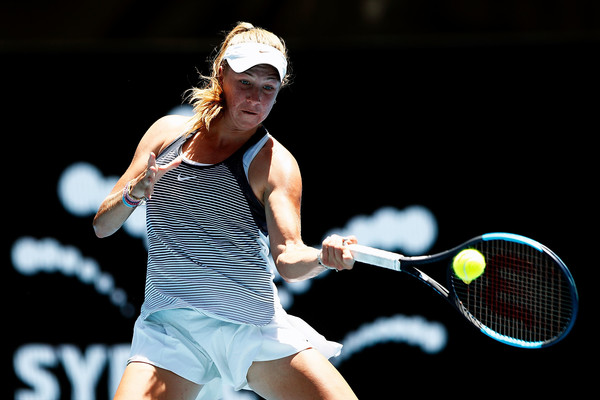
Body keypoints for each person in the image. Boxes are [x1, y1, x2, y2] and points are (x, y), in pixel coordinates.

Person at [93, 22, 358, 400]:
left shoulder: (275, 163)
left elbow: (287, 257)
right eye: (245, 83)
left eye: (268, 88)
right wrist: (134, 194)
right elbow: (103, 226)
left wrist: (321, 258)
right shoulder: (167, 135)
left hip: (251, 330)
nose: (255, 99)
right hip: (171, 330)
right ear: (222, 74)